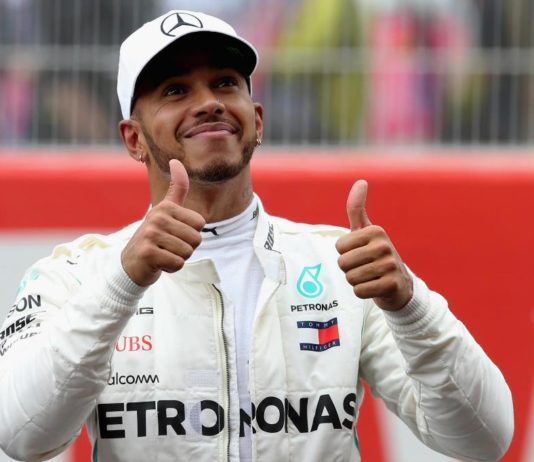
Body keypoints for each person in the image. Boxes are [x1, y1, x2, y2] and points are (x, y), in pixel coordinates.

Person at [0, 9, 513, 462]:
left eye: (225, 83)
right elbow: (21, 435)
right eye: (176, 90)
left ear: (257, 120)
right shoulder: (76, 275)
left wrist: (411, 306)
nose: (209, 103)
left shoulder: (342, 264)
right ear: (133, 139)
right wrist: (123, 283)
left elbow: (485, 438)